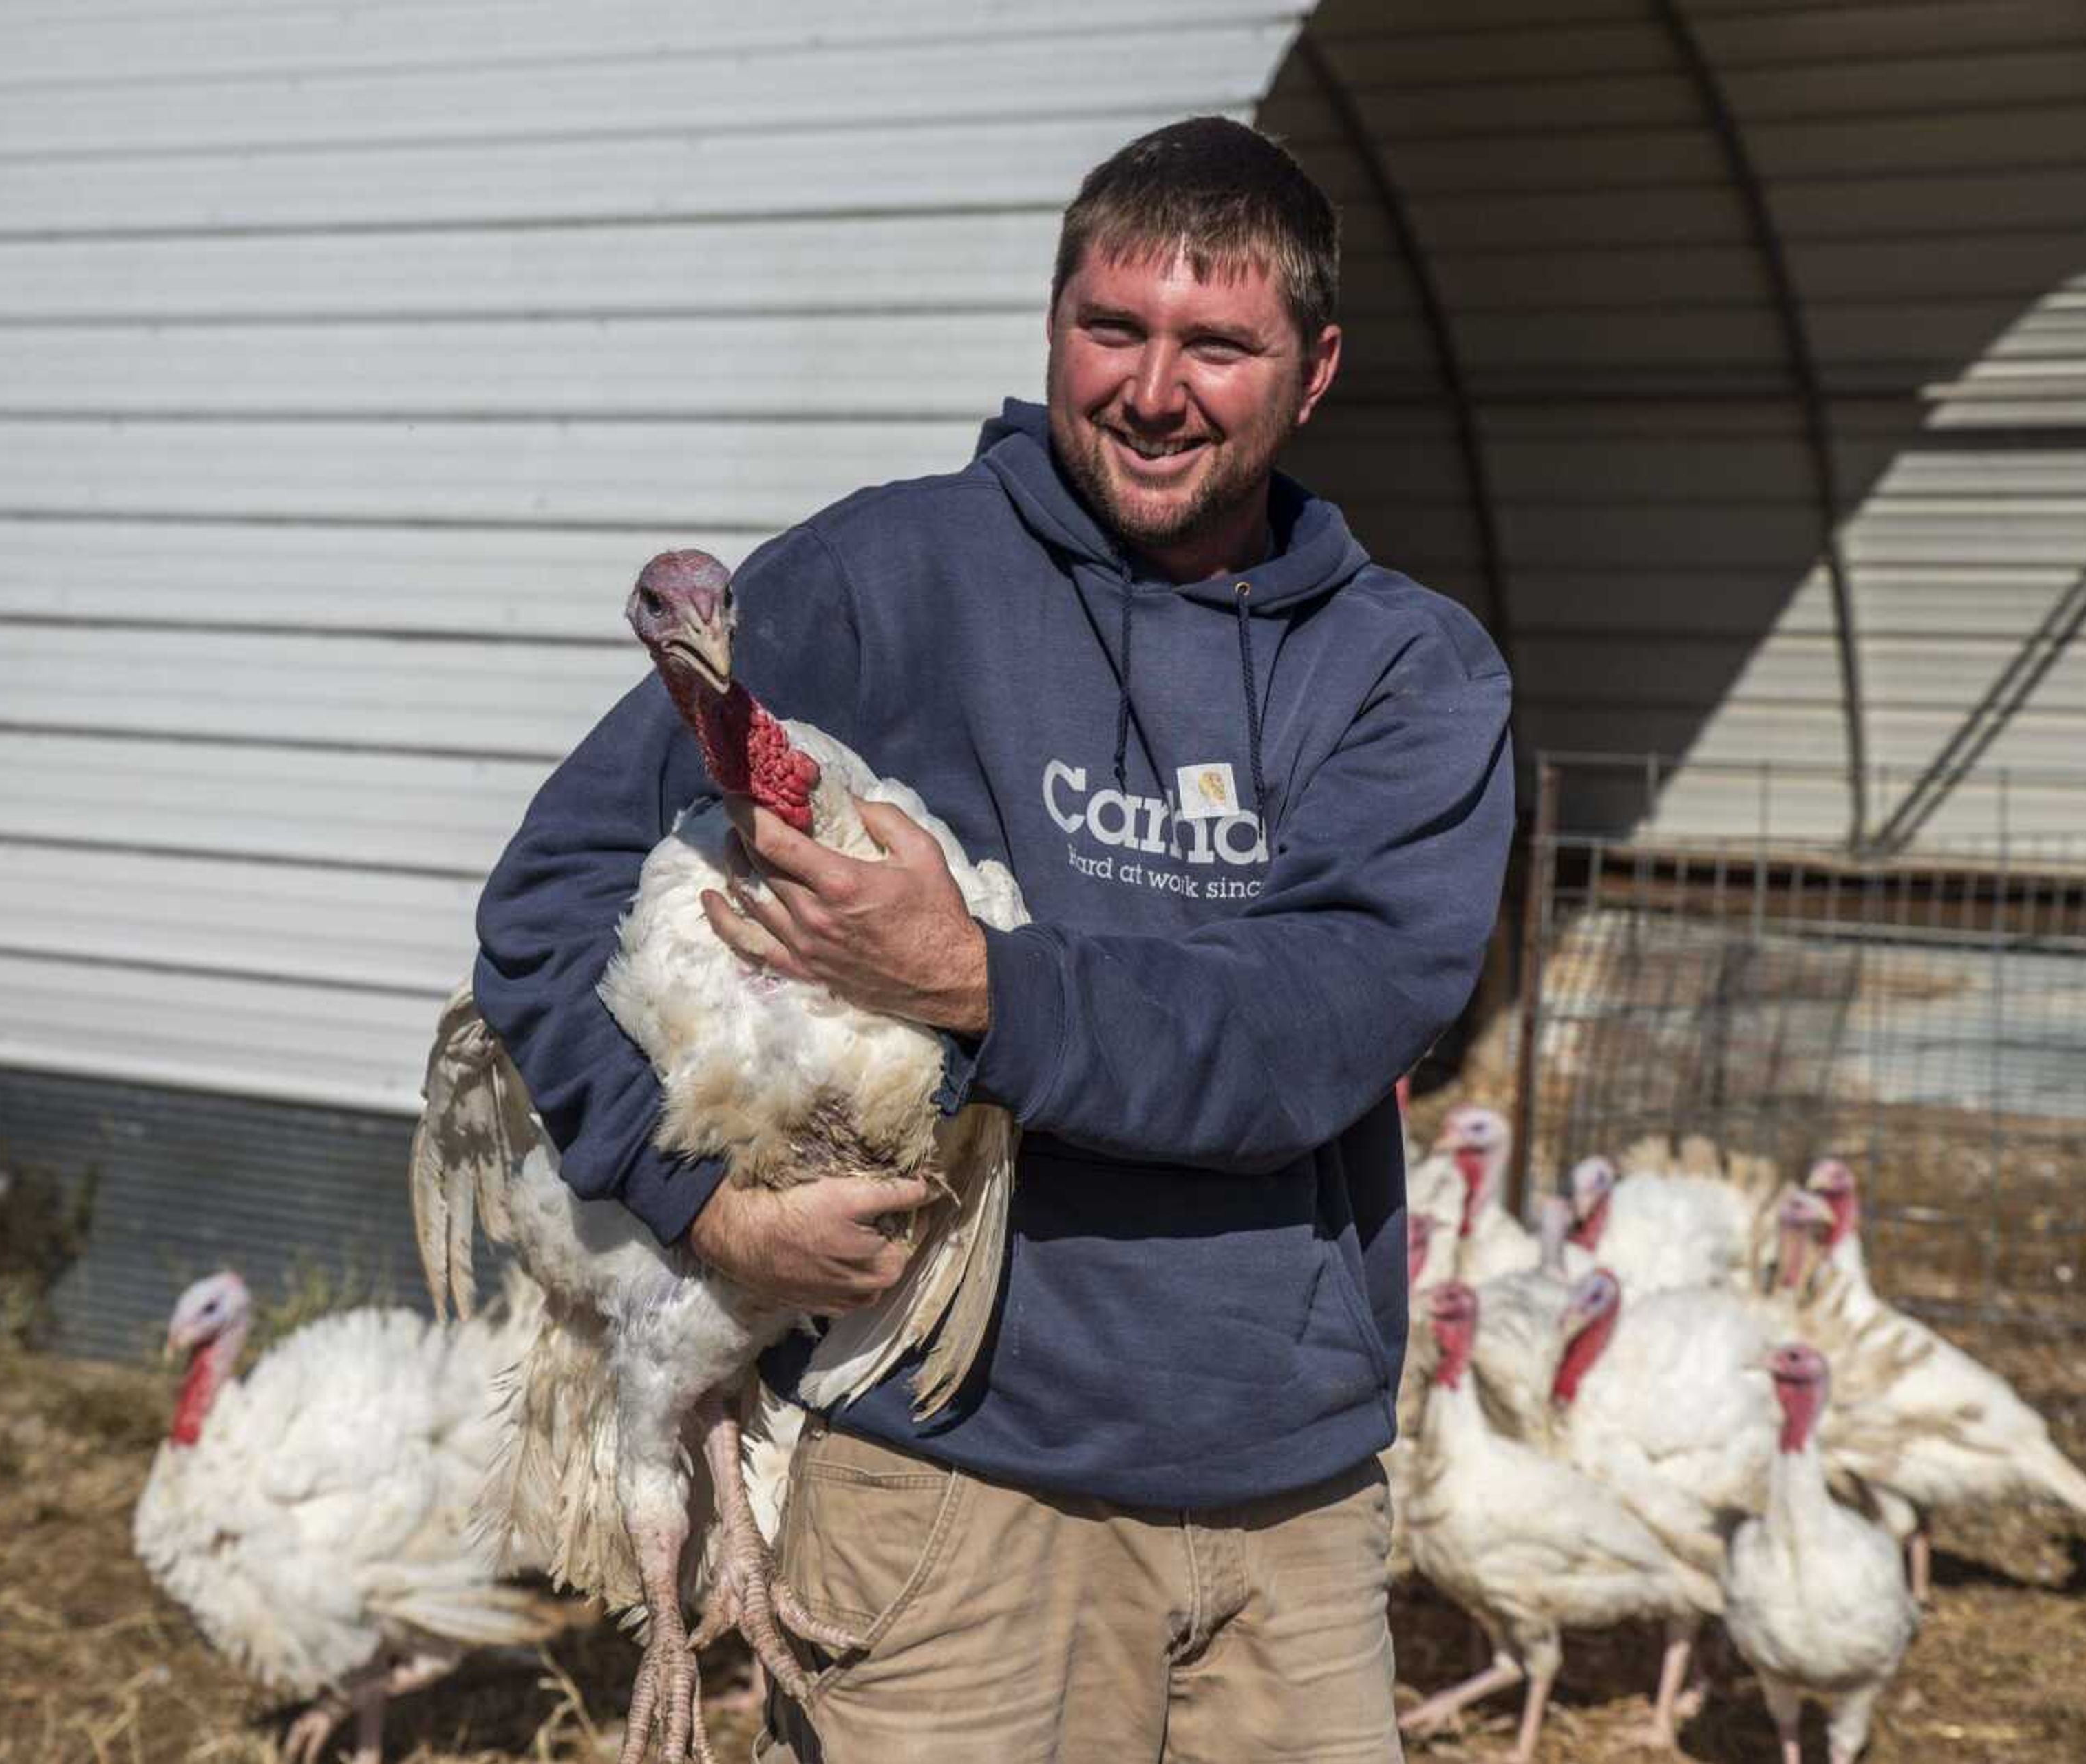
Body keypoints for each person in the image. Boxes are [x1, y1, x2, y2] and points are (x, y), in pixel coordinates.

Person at [472, 115, 1515, 1762]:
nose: (1154, 388)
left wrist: (974, 984)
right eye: (1113, 329)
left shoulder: (1406, 673)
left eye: (1219, 346)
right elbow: (549, 900)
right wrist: (704, 1210)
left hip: (1293, 1517)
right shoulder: (886, 577)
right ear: (1053, 325)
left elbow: (1314, 1025)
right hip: (946, 1492)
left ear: (1312, 372)